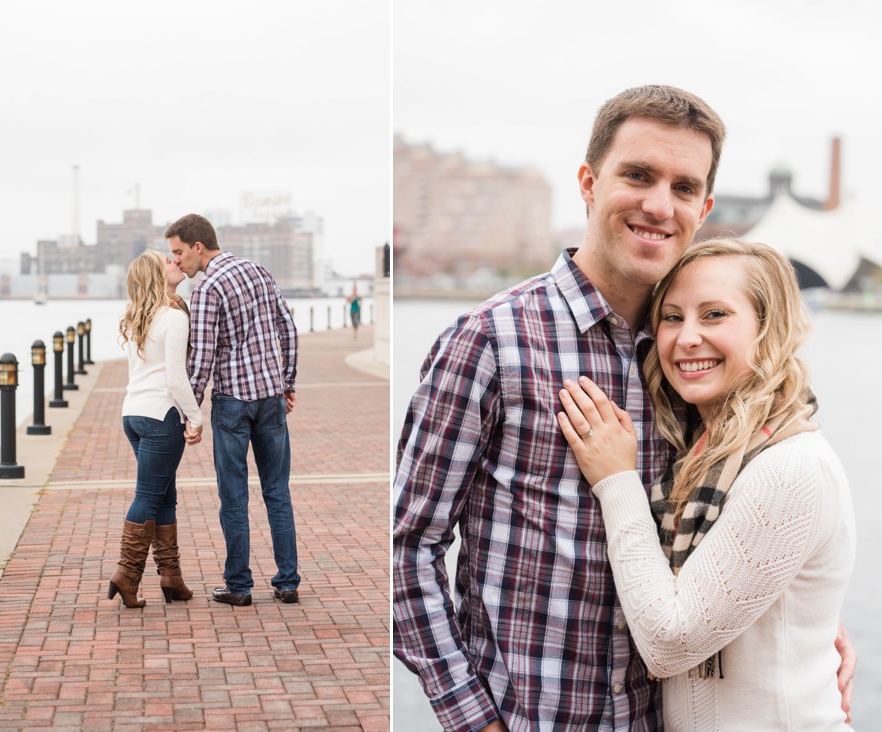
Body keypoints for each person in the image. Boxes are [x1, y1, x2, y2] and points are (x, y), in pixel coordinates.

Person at [392, 85, 856, 731]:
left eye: (684, 187)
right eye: (638, 175)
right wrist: (474, 721)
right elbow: (408, 548)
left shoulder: (697, 365)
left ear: (705, 206)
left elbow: (745, 522)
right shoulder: (491, 342)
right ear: (588, 181)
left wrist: (807, 623)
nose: (659, 204)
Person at [557, 238, 855, 729]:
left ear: (768, 328)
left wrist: (616, 481)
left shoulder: (790, 469)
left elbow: (668, 645)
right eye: (672, 318)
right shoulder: (701, 456)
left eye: (715, 314)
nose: (687, 337)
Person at [166, 213, 301, 607]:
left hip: (233, 403)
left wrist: (192, 412)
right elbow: (287, 328)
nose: (177, 262)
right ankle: (288, 582)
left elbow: (203, 356)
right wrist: (287, 382)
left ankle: (239, 586)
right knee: (278, 492)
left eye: (178, 253)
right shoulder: (260, 271)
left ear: (198, 247)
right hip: (271, 397)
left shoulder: (208, 288)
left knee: (234, 496)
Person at [109, 250, 204, 608]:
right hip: (162, 415)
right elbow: (177, 379)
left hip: (132, 414)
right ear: (155, 276)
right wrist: (196, 417)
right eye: (167, 261)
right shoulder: (173, 318)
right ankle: (126, 574)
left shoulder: (135, 317)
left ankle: (171, 578)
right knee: (149, 496)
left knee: (164, 495)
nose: (175, 262)